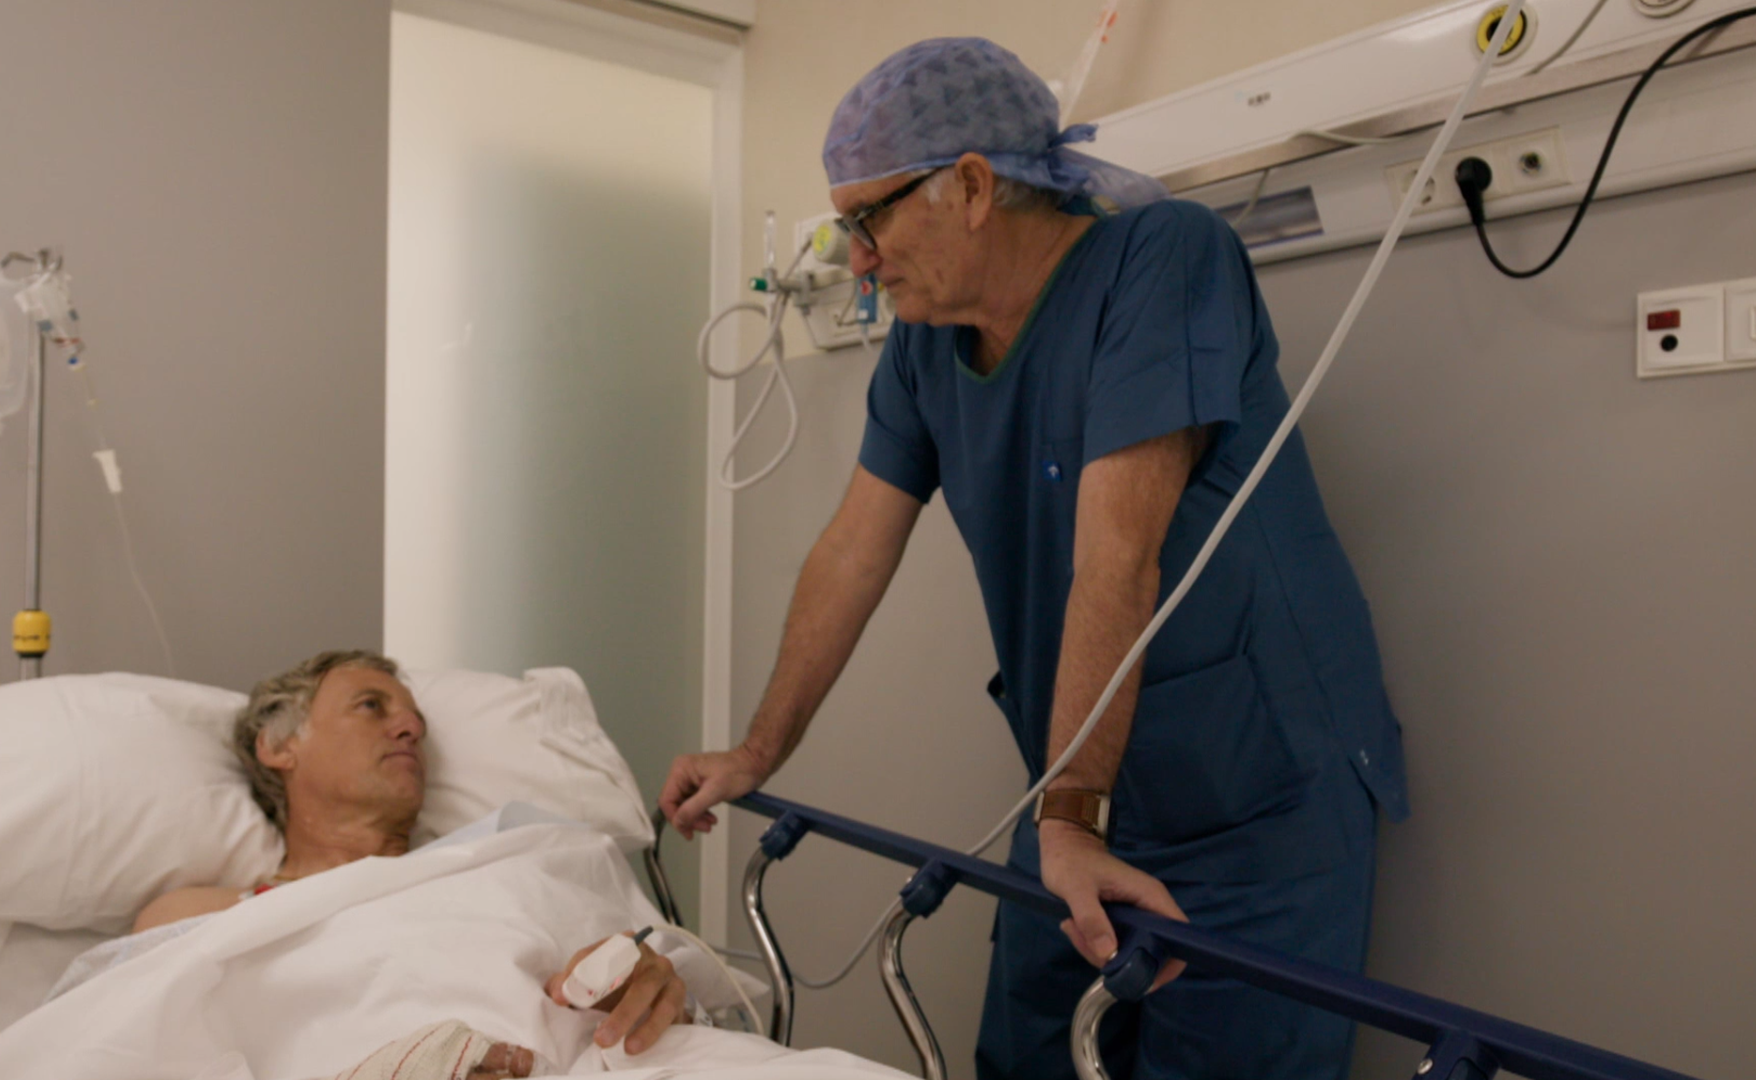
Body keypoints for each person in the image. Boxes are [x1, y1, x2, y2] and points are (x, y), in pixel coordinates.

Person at [660, 38, 1409, 1080]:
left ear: (971, 187)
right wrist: (757, 751)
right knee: (1024, 1056)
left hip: (1256, 799)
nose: (857, 261)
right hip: (1078, 785)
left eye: (867, 221)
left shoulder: (1165, 260)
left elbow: (1118, 559)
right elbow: (851, 551)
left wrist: (1070, 821)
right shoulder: (926, 343)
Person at [134, 649, 690, 1075]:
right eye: (371, 706)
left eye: (416, 722)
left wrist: (648, 986)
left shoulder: (513, 857)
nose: (411, 729)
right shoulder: (197, 917)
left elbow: (657, 988)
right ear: (279, 746)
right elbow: (142, 1055)